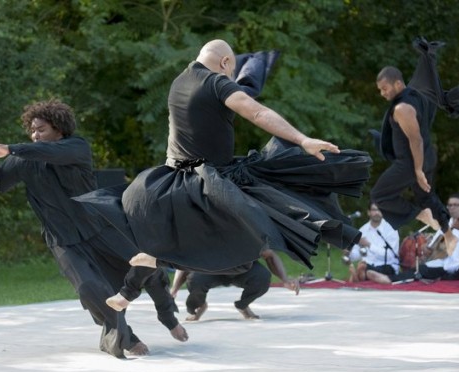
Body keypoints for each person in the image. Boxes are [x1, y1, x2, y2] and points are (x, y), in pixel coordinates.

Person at [93, 39, 372, 311]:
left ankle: (128, 292)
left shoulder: (179, 82)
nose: (230, 76)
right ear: (225, 62)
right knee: (246, 244)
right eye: (230, 69)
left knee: (160, 240)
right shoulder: (216, 82)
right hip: (209, 184)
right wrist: (302, 140)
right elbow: (258, 113)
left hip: (170, 182)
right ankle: (155, 264)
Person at [0, 100, 187, 359]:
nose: (35, 135)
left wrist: (9, 148)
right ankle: (124, 336)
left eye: (41, 129)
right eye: (32, 131)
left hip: (100, 228)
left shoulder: (77, 148)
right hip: (64, 240)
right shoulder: (24, 159)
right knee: (89, 288)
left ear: (59, 129)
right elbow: (0, 181)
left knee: (146, 269)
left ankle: (168, 317)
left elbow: (52, 154)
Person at [371, 65, 457, 255]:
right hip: (427, 156)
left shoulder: (402, 107)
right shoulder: (417, 96)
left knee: (380, 196)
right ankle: (449, 234)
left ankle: (421, 214)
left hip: (410, 162)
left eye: (385, 88)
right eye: (380, 90)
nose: (382, 93)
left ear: (398, 83)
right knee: (425, 196)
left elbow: (415, 139)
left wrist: (418, 170)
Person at [170, 250, 299, 321]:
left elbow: (270, 255)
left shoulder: (246, 230)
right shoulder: (204, 232)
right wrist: (174, 289)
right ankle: (200, 305)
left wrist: (285, 279)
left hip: (243, 271)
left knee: (262, 277)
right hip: (210, 271)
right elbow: (185, 261)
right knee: (194, 280)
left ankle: (243, 305)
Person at [417, 193, 459, 281]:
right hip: (449, 265)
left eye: (455, 205)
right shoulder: (445, 225)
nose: (452, 208)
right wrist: (427, 249)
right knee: (421, 269)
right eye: (450, 205)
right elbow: (433, 246)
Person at [344, 203, 401, 284]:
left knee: (366, 268)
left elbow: (390, 256)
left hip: (387, 265)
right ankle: (363, 274)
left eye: (379, 210)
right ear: (369, 212)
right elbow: (357, 255)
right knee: (364, 266)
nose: (377, 212)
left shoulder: (391, 229)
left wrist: (369, 245)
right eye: (374, 210)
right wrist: (348, 252)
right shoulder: (363, 230)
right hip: (367, 265)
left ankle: (360, 276)